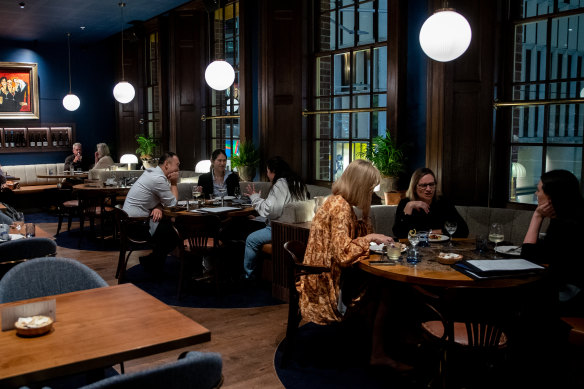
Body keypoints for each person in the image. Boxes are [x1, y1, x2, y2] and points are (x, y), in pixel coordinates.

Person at [297, 159, 410, 372]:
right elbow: (342, 254)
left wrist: (366, 227)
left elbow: (347, 240)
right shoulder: (340, 206)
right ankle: (377, 351)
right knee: (386, 288)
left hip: (327, 272)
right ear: (360, 185)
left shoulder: (339, 202)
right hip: (325, 280)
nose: (371, 192)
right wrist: (371, 237)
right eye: (369, 188)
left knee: (382, 286)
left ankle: (369, 344)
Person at [521, 169, 584, 316]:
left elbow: (527, 258)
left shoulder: (567, 226)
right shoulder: (571, 216)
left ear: (551, 196)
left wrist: (537, 216)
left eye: (538, 190)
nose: (536, 194)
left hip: (572, 297)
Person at [242, 156, 308, 280]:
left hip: (281, 229)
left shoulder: (280, 184)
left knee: (251, 239)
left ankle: (248, 276)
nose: (267, 175)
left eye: (267, 171)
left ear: (273, 171)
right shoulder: (297, 182)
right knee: (254, 224)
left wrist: (255, 198)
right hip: (298, 229)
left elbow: (271, 210)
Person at [123, 151, 181, 273]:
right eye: (177, 165)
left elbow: (161, 201)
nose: (178, 169)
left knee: (168, 229)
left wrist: (159, 207)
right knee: (173, 233)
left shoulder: (153, 173)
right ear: (167, 164)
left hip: (129, 222)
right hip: (136, 226)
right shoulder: (158, 178)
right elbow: (172, 204)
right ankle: (154, 264)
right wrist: (174, 183)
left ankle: (152, 263)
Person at [392, 167, 468, 239]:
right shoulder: (405, 203)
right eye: (423, 185)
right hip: (415, 247)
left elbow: (463, 231)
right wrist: (409, 207)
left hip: (441, 247)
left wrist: (439, 232)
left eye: (431, 184)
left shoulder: (443, 202)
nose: (428, 189)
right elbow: (399, 234)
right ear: (414, 188)